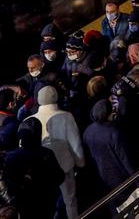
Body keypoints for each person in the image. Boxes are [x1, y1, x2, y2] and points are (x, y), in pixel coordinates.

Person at [33, 86, 85, 219]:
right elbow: (75, 143)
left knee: (48, 203)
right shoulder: (66, 116)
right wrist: (80, 162)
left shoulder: (30, 120)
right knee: (70, 200)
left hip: (42, 169)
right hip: (64, 165)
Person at [4, 119, 63, 219]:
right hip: (46, 202)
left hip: (24, 205)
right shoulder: (47, 153)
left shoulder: (11, 157)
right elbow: (60, 177)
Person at [82, 99, 134, 193]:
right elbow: (125, 159)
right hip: (121, 176)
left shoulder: (87, 132)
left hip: (104, 177)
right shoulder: (114, 133)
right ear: (107, 115)